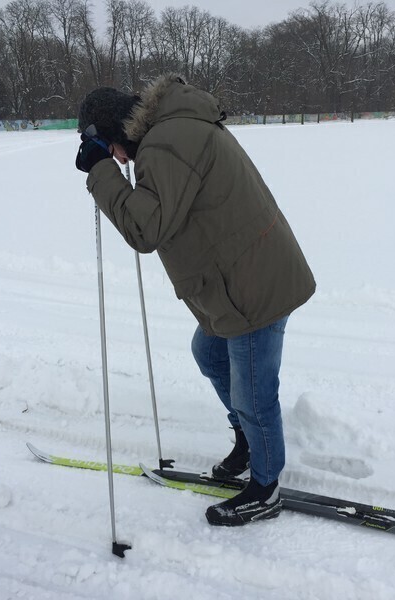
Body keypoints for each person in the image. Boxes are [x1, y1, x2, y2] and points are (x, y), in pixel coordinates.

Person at [75, 74, 315, 526]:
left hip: (251, 283)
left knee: (253, 391)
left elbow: (145, 229)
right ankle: (249, 437)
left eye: (112, 150)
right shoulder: (170, 130)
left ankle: (266, 488)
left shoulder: (166, 143)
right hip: (240, 272)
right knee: (208, 351)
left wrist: (100, 173)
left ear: (113, 134)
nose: (118, 160)